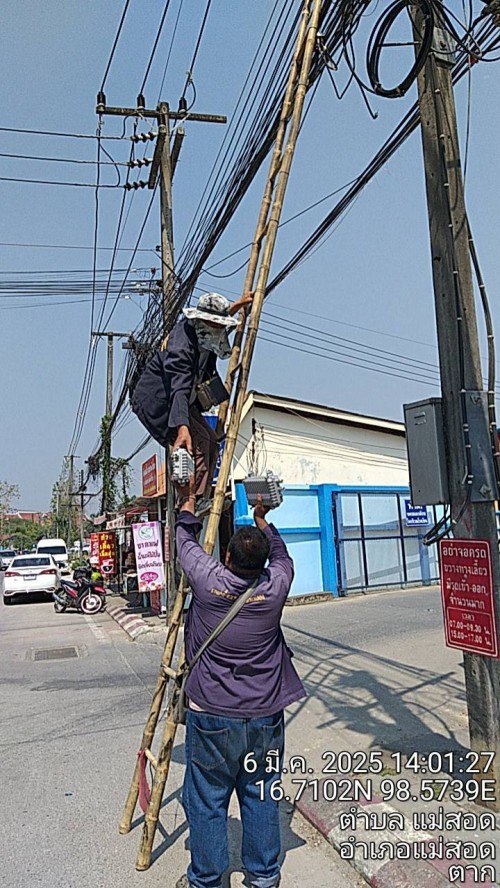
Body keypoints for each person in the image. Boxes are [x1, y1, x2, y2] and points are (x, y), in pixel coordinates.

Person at [172, 477, 306, 888]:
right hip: (265, 715)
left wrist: (188, 502)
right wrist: (264, 520)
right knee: (262, 793)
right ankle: (263, 877)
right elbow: (283, 556)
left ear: (226, 556)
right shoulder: (275, 586)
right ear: (262, 565)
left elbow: (184, 542)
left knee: (208, 800)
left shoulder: (208, 582)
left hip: (211, 715)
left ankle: (208, 879)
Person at [130, 291, 253, 509]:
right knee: (196, 442)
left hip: (186, 399)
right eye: (217, 325)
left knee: (211, 441)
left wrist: (239, 304)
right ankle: (189, 502)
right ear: (201, 322)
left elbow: (218, 319)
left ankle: (202, 496)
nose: (220, 330)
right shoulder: (181, 345)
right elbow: (178, 387)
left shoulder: (208, 332)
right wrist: (182, 427)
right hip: (162, 401)